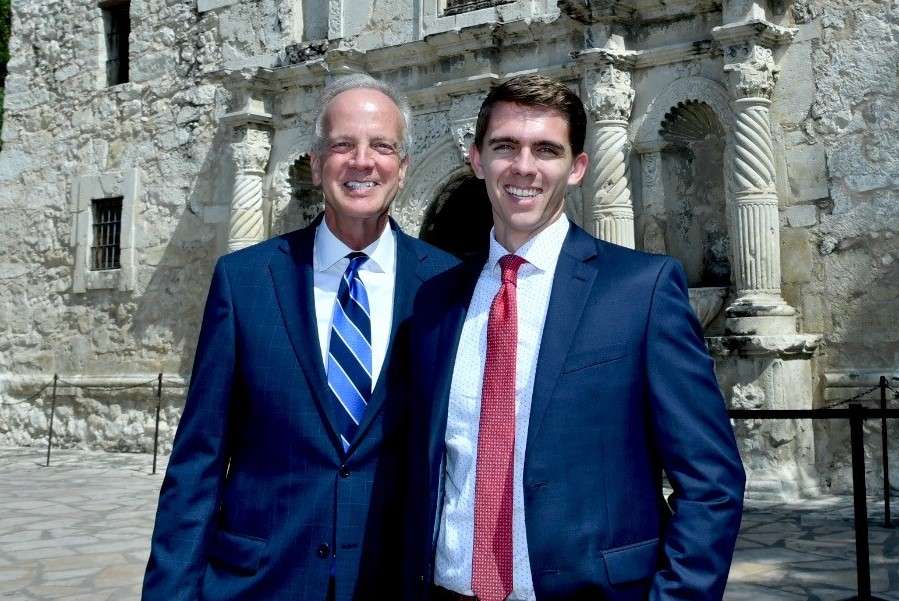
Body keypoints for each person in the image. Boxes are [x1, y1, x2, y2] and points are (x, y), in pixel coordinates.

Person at [402, 74, 745, 601]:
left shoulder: (640, 290)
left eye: (546, 149)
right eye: (504, 147)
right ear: (476, 160)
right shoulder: (435, 300)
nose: (524, 167)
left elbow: (711, 483)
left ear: (577, 167)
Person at [143, 74, 457, 601]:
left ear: (402, 170)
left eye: (381, 145)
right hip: (261, 582)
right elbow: (198, 460)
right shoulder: (245, 282)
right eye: (342, 145)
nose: (362, 161)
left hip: (392, 582)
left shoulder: (447, 287)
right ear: (316, 163)